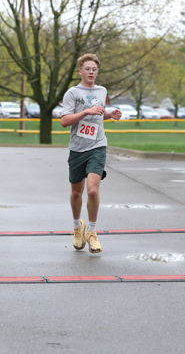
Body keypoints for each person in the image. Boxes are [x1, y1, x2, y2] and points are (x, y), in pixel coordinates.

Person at [61, 54, 122, 254]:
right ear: (81, 71)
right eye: (87, 69)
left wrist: (109, 114)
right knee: (76, 192)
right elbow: (65, 121)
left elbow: (99, 114)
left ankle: (93, 232)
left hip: (97, 145)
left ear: (97, 72)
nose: (91, 72)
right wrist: (86, 112)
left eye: (94, 69)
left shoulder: (102, 91)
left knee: (93, 191)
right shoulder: (72, 92)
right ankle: (77, 227)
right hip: (77, 148)